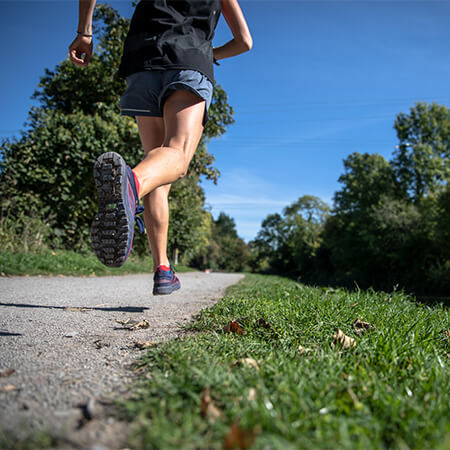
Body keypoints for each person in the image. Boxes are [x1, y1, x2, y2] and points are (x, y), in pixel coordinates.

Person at [69, 0, 252, 295]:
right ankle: (130, 185)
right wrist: (210, 54)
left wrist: (85, 33)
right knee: (176, 158)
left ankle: (163, 268)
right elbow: (244, 41)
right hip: (189, 60)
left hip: (142, 61)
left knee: (157, 169)